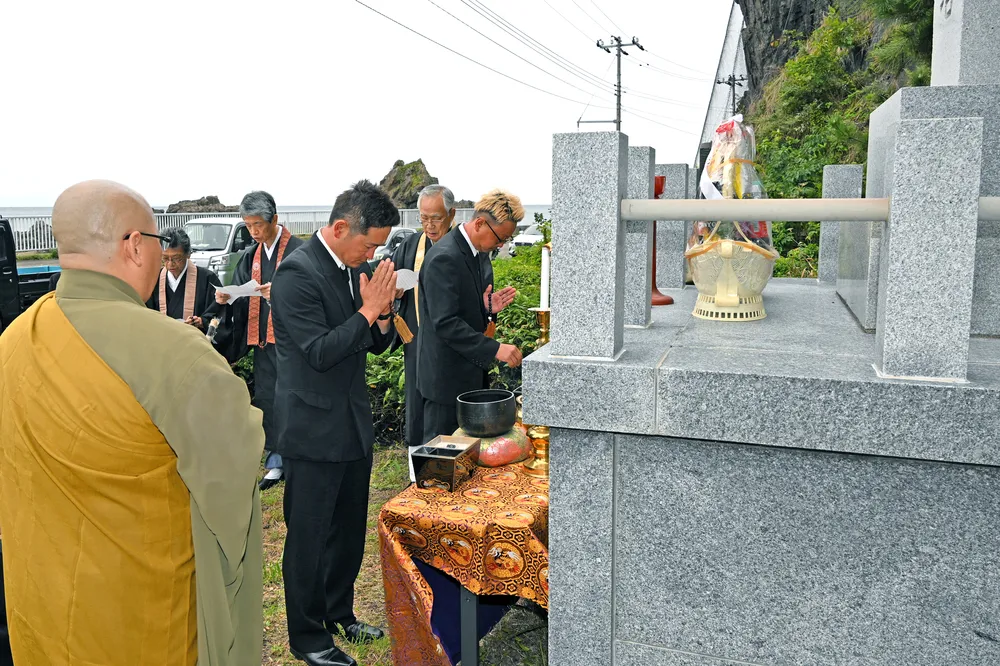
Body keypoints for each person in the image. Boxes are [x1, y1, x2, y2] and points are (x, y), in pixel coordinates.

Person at [0, 179, 264, 665]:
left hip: (42, 606)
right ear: (136, 246)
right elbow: (231, 482)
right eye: (159, 243)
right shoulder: (174, 353)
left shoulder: (14, 339)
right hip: (141, 622)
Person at [270, 179, 398, 666]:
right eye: (368, 244)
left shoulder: (352, 266)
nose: (371, 254)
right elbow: (320, 352)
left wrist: (382, 316)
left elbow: (372, 342)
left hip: (351, 421)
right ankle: (307, 637)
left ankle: (338, 612)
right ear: (341, 227)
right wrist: (367, 311)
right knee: (308, 536)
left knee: (347, 528)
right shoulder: (296, 274)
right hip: (311, 428)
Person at [417, 188, 524, 444]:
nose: (501, 245)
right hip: (445, 381)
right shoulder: (445, 257)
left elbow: (459, 306)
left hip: (467, 375)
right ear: (479, 223)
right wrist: (494, 348)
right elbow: (445, 323)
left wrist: (486, 307)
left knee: (468, 458)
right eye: (500, 238)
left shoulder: (476, 253)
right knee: (443, 464)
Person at [216, 190, 304, 491]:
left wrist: (279, 294)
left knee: (293, 397)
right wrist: (230, 295)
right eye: (248, 225)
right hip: (263, 341)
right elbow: (244, 287)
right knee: (267, 397)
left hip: (293, 343)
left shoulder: (298, 251)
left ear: (275, 219)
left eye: (258, 225)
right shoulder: (250, 255)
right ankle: (276, 461)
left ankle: (297, 457)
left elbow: (309, 293)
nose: (253, 232)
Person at [389, 184, 455, 473]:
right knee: (417, 404)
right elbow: (389, 276)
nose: (429, 225)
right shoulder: (411, 245)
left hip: (452, 345)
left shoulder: (463, 247)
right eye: (423, 218)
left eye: (436, 218)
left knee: (446, 407)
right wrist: (395, 291)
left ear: (451, 214)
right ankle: (418, 470)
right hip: (416, 339)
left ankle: (451, 465)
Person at [145, 227, 223, 332]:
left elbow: (219, 314)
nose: (170, 264)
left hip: (196, 343)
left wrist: (202, 322)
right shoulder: (154, 279)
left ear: (188, 254)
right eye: (165, 258)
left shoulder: (207, 279)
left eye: (177, 258)